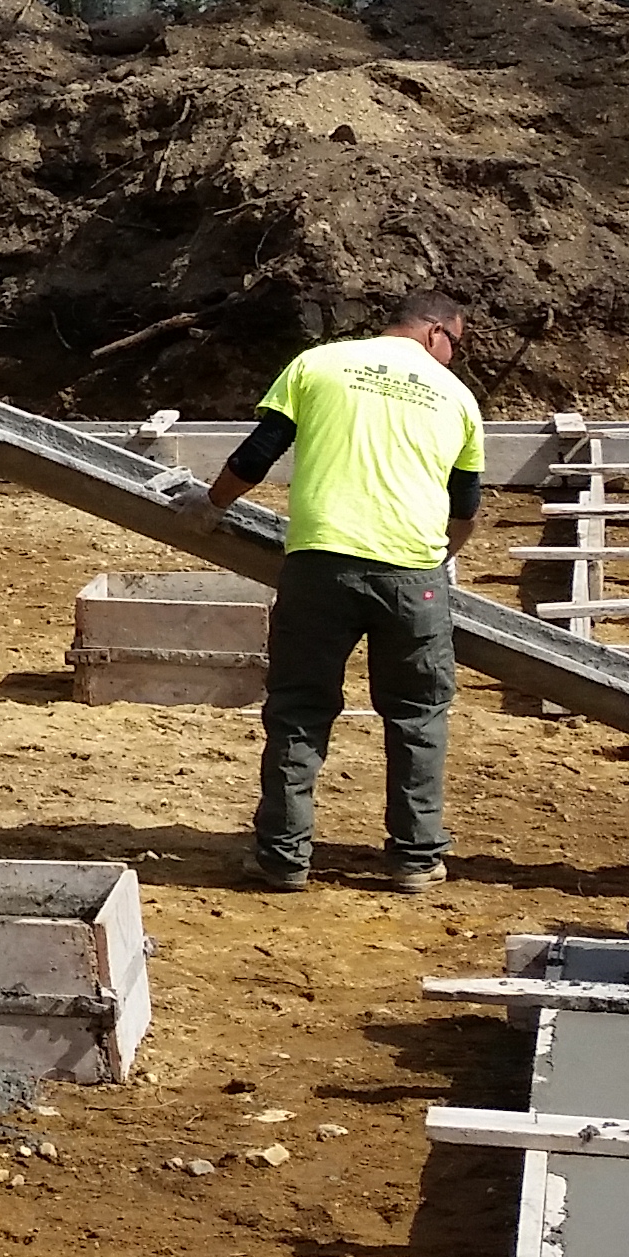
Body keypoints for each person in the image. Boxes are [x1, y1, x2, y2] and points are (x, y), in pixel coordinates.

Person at [200, 296, 486, 894]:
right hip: (411, 575)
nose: (453, 359)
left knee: (299, 708)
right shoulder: (457, 398)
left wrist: (211, 505)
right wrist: (437, 561)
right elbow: (464, 508)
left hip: (320, 564)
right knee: (417, 715)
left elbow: (258, 453)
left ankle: (282, 857)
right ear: (435, 332)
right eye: (455, 346)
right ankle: (415, 858)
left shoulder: (319, 364)